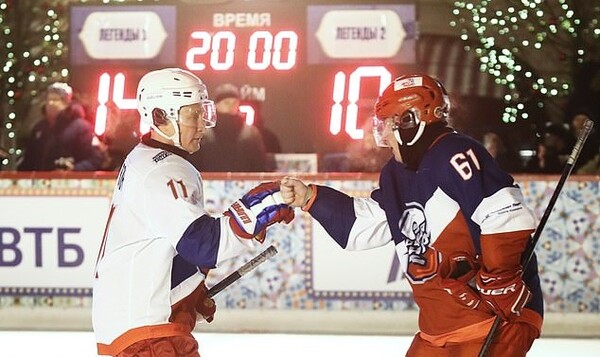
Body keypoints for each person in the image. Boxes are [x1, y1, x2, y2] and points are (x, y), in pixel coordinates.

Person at [281, 74, 543, 356]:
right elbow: (363, 226)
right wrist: (310, 198)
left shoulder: (456, 152)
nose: (383, 136)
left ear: (411, 121)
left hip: (492, 320)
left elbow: (505, 213)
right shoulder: (395, 173)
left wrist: (501, 281)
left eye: (388, 124)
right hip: (439, 326)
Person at [92, 68, 294, 357]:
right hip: (148, 337)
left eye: (203, 113)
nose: (202, 125)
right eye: (192, 115)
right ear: (161, 116)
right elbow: (204, 245)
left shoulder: (146, 158)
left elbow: (165, 243)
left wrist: (185, 291)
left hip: (136, 328)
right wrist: (263, 205)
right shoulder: (162, 170)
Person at [18, 82, 103, 171]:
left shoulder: (81, 128)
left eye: (56, 100)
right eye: (48, 99)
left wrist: (73, 170)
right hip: (40, 182)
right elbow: (29, 160)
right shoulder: (39, 128)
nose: (51, 103)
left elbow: (94, 159)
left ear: (66, 103)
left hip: (69, 183)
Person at [188, 83, 267, 172]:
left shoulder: (252, 134)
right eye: (226, 103)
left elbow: (260, 166)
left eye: (234, 103)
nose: (231, 106)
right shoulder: (203, 133)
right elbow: (194, 165)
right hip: (208, 185)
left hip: (245, 185)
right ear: (217, 105)